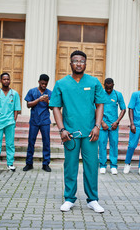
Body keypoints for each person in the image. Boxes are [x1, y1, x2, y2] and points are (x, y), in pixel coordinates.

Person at [50, 50, 107, 213]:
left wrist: (97, 126)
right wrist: (62, 129)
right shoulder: (61, 83)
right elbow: (55, 107)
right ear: (70, 63)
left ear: (86, 63)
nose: (79, 64)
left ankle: (93, 200)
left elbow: (100, 105)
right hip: (70, 134)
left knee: (91, 166)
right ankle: (69, 198)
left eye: (82, 61)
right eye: (75, 61)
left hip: (90, 133)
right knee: (70, 166)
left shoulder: (94, 82)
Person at [0, 73, 21, 172]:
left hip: (10, 122)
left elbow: (16, 109)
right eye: (4, 79)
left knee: (10, 144)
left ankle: (10, 163)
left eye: (8, 79)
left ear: (10, 80)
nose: (6, 81)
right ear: (1, 81)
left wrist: (14, 120)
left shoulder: (14, 94)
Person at [23, 74, 52, 172]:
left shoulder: (49, 93)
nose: (44, 85)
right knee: (31, 142)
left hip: (45, 121)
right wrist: (39, 99)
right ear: (39, 82)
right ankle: (29, 163)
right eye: (42, 83)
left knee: (46, 142)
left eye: (45, 84)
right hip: (34, 120)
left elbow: (52, 107)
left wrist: (47, 101)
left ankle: (46, 164)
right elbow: (28, 105)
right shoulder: (32, 91)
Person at [99, 78, 126, 175]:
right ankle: (102, 165)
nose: (108, 90)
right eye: (107, 88)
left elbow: (123, 109)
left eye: (110, 88)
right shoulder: (100, 93)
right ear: (104, 85)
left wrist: (117, 122)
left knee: (114, 144)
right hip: (103, 125)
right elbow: (95, 108)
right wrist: (102, 122)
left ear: (113, 85)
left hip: (114, 125)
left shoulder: (118, 94)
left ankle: (113, 166)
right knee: (102, 144)